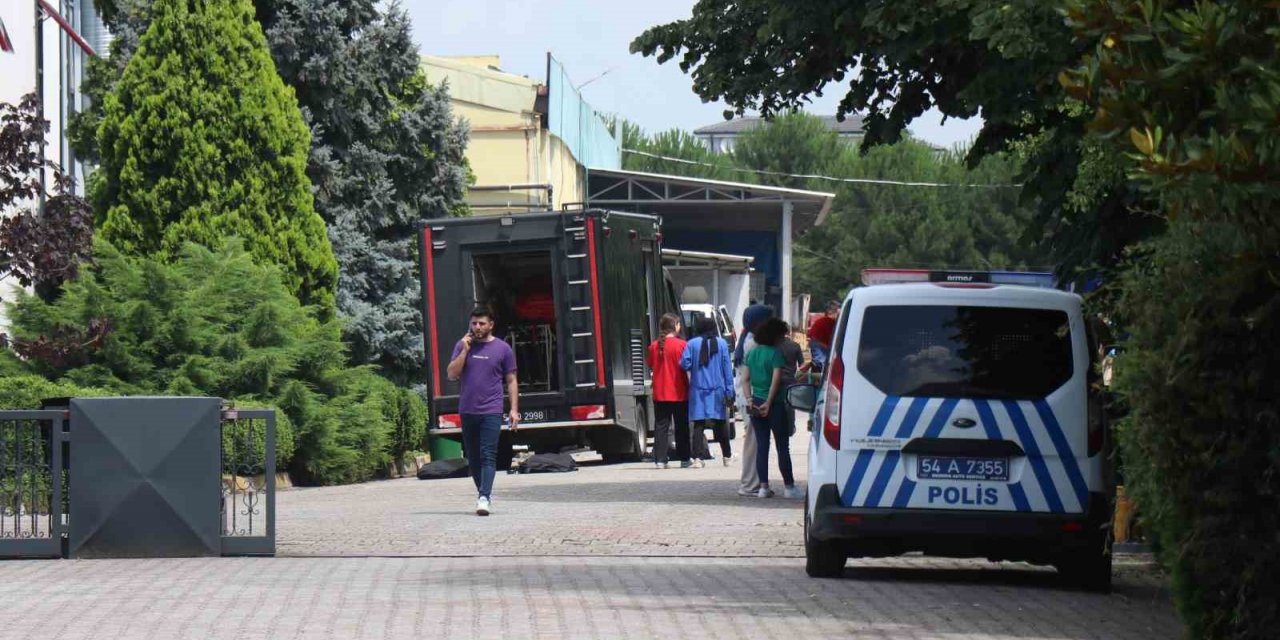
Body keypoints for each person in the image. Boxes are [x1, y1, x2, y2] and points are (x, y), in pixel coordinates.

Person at [446, 308, 519, 516]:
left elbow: (512, 381)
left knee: (488, 455)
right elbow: (452, 374)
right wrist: (464, 351)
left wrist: (513, 410)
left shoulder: (503, 349)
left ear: (490, 325)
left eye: (481, 323)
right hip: (468, 410)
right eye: (474, 323)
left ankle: (484, 497)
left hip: (492, 410)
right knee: (474, 458)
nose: (477, 327)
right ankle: (483, 493)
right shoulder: (463, 345)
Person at [742, 317, 801, 499]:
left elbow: (745, 379)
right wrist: (769, 401)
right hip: (774, 404)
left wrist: (749, 399)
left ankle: (763, 487)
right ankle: (789, 487)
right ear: (775, 336)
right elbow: (776, 380)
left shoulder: (751, 353)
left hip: (755, 402)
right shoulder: (775, 354)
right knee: (782, 446)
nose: (783, 339)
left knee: (762, 445)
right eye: (782, 336)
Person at [680, 318, 735, 468]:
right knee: (720, 423)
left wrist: (695, 365)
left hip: (698, 389)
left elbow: (684, 363)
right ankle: (727, 456)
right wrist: (730, 390)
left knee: (698, 424)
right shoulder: (722, 344)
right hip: (717, 389)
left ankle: (698, 458)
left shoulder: (692, 344)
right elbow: (727, 369)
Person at [734, 303, 774, 496]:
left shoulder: (747, 339)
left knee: (754, 441)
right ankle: (749, 484)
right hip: (753, 397)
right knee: (754, 442)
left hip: (747, 397)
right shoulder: (755, 344)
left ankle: (752, 482)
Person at [647, 313, 690, 469]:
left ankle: (660, 459)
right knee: (681, 426)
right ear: (676, 326)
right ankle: (684, 458)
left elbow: (651, 365)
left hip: (660, 392)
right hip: (679, 391)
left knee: (661, 426)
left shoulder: (653, 346)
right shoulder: (682, 345)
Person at [776, 322, 807, 437]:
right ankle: (790, 428)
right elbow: (802, 365)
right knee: (790, 405)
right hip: (790, 380)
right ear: (789, 332)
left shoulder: (773, 346)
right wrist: (798, 376)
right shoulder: (795, 346)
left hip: (776, 381)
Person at [807, 300, 840, 369]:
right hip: (819, 346)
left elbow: (810, 336)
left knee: (820, 363)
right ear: (835, 311)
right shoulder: (829, 321)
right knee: (822, 364)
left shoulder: (821, 321)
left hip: (817, 344)